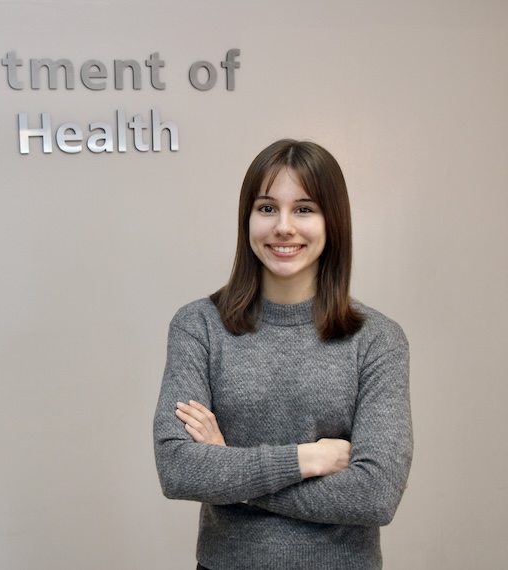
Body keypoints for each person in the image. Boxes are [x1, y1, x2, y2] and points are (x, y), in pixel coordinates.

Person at [153, 139, 412, 570]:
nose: (284, 227)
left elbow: (375, 495)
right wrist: (306, 458)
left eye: (305, 209)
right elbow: (178, 468)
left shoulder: (377, 339)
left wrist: (233, 475)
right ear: (247, 219)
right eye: (267, 208)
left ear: (333, 222)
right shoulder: (198, 326)